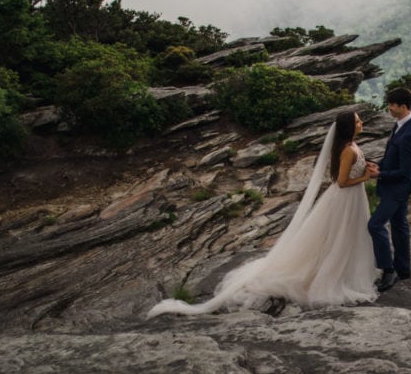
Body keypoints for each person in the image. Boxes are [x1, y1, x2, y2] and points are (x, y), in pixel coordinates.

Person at [148, 110, 378, 317]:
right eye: (358, 121)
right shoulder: (347, 150)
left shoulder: (351, 146)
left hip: (352, 198)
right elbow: (341, 181)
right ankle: (336, 275)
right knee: (341, 236)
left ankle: (344, 270)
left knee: (347, 236)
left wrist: (366, 169)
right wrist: (365, 178)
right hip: (345, 198)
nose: (361, 123)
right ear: (349, 126)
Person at [366, 87, 411, 292]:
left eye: (392, 105)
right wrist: (379, 165)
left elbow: (405, 172)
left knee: (375, 225)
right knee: (399, 226)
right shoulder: (400, 125)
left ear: (403, 106)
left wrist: (378, 175)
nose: (389, 108)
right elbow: (392, 157)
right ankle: (403, 270)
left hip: (398, 188)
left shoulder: (409, 135)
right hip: (394, 185)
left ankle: (388, 270)